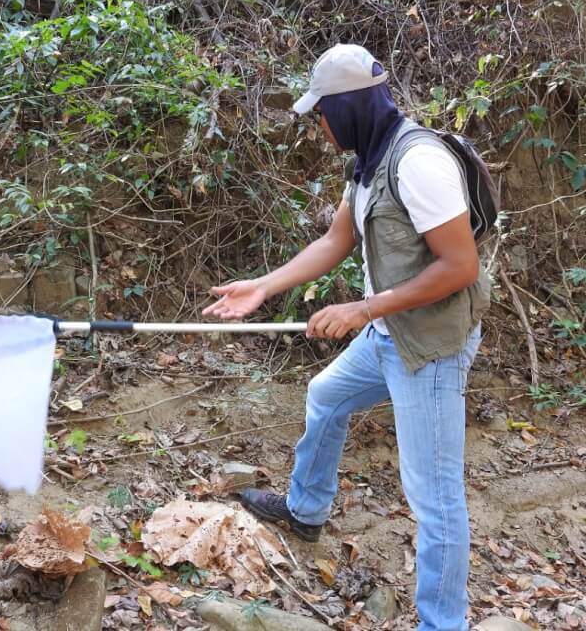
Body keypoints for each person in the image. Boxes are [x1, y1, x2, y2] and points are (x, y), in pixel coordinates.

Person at [202, 43, 490, 631]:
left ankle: (443, 623)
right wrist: (262, 286)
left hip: (429, 347)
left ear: (354, 106)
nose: (322, 128)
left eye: (325, 115)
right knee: (326, 397)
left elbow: (459, 267)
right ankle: (306, 511)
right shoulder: (370, 161)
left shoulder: (418, 162)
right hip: (388, 332)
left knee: (435, 500)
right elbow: (336, 241)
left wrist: (363, 309)